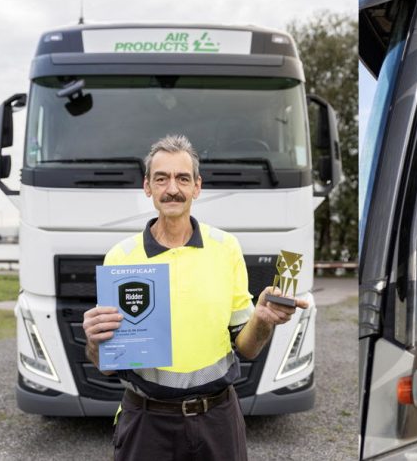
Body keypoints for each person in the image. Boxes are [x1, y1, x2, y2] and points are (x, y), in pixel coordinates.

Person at [82, 134, 306, 460]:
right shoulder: (121, 256)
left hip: (217, 418)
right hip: (146, 421)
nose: (172, 188)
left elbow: (247, 347)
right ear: (148, 187)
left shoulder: (226, 247)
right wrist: (93, 341)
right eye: (162, 178)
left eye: (182, 178)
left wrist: (262, 320)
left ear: (197, 187)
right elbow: (106, 365)